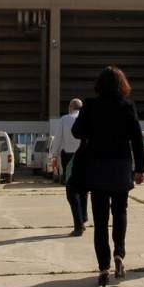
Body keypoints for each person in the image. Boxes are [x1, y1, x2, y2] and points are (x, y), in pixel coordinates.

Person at [72, 66, 144, 287]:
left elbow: (77, 132)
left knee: (101, 219)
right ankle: (119, 254)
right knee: (120, 211)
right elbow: (137, 139)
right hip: (121, 166)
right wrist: (140, 168)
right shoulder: (127, 105)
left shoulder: (91, 105)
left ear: (99, 85)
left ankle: (103, 267)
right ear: (122, 84)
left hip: (97, 167)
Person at [50, 98, 88, 237]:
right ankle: (83, 218)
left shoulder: (65, 119)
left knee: (71, 192)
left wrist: (53, 157)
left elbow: (58, 139)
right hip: (86, 156)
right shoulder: (86, 118)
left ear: (70, 107)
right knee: (84, 190)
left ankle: (78, 225)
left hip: (70, 158)